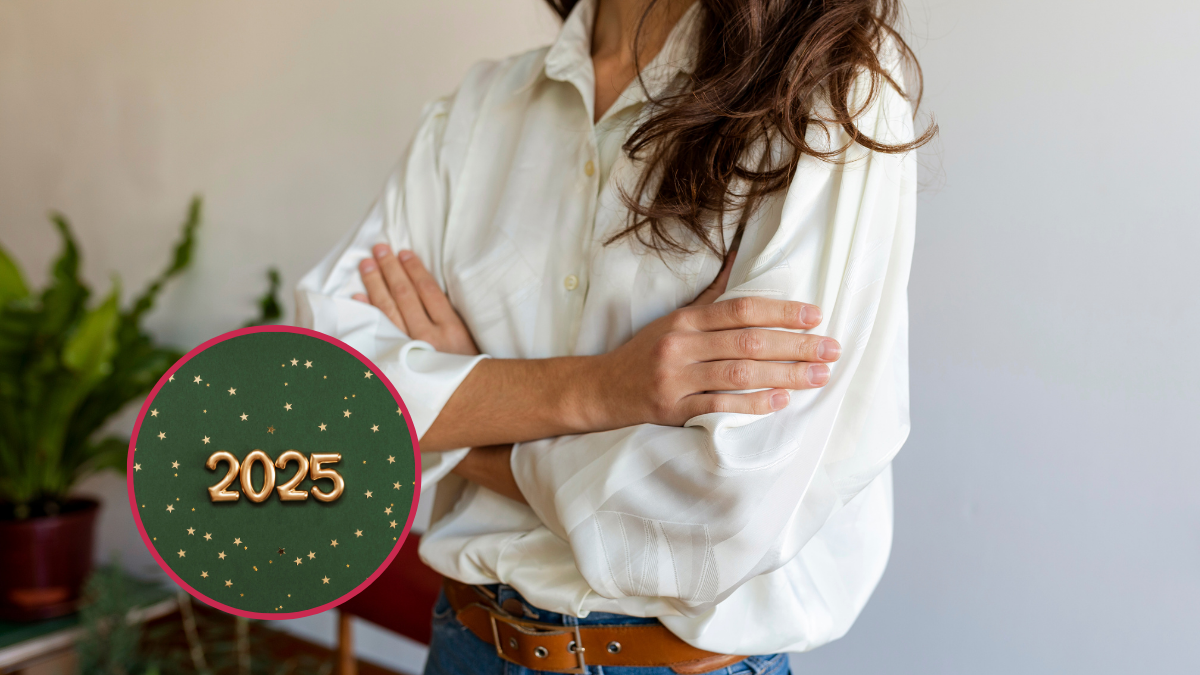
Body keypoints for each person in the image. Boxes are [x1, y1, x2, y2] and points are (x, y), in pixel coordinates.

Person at [297, 0, 933, 671]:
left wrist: (454, 426)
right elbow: (324, 398)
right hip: (464, 642)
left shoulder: (830, 86)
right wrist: (603, 389)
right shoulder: (479, 108)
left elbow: (717, 520)